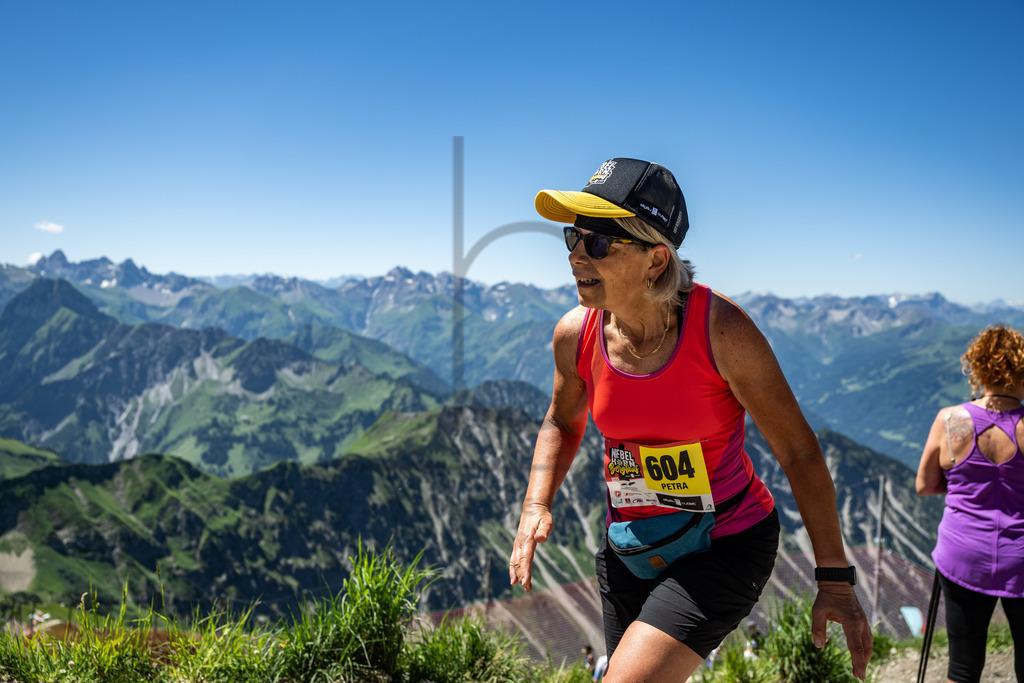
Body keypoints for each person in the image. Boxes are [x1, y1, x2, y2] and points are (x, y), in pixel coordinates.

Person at [507, 157, 872, 681]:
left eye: (600, 244)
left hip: (726, 540)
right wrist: (535, 504)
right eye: (573, 237)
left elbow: (798, 450)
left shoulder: (722, 332)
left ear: (656, 260)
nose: (576, 257)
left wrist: (834, 578)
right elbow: (562, 422)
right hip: (631, 544)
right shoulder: (576, 334)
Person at [916, 324, 1024, 683]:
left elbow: (925, 485)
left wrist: (967, 482)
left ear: (976, 368)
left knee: (962, 669)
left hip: (962, 555)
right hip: (1021, 558)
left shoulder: (951, 420)